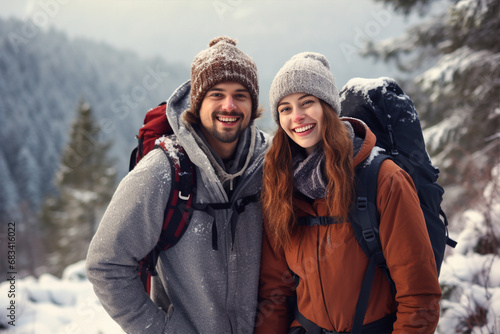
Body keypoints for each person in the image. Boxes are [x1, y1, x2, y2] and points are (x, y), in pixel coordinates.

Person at [86, 36, 269, 334]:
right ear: (197, 103)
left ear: (253, 104)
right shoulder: (164, 170)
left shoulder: (271, 164)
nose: (229, 105)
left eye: (241, 95)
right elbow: (105, 264)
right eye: (216, 94)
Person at [255, 52, 442, 333]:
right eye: (285, 108)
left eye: (308, 102)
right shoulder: (280, 184)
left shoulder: (383, 179)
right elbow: (275, 293)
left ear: (329, 107)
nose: (297, 117)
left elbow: (419, 296)